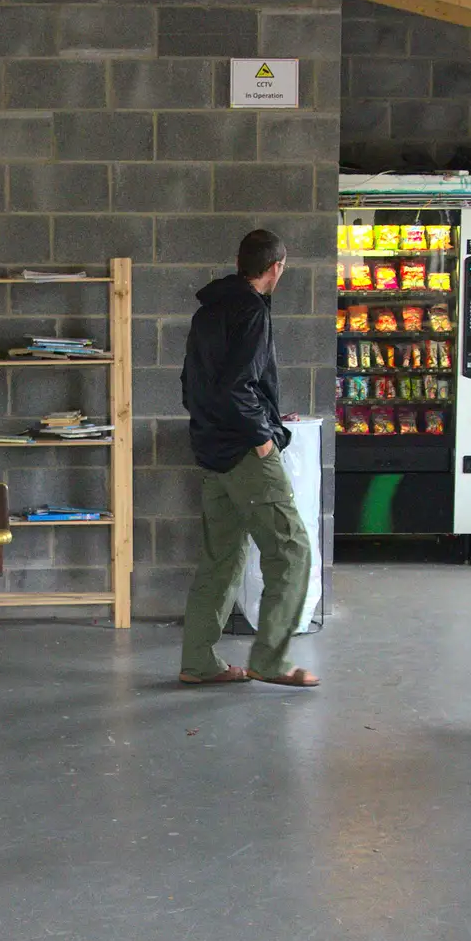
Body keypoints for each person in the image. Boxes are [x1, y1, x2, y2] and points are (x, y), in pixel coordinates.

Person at [177, 229, 318, 688]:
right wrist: (263, 437)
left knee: (222, 558)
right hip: (244, 453)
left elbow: (193, 387)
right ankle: (271, 660)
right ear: (276, 266)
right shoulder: (251, 310)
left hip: (212, 451)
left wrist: (267, 417)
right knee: (293, 551)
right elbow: (238, 386)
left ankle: (198, 661)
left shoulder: (208, 311)